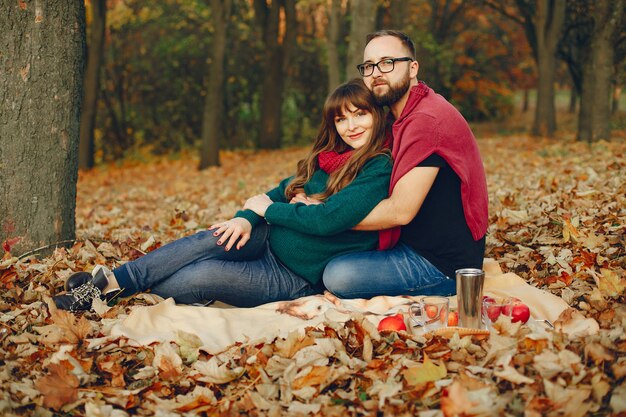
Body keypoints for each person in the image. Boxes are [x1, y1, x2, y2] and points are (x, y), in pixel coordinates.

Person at [53, 79, 392, 311]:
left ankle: (113, 290)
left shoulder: (377, 167)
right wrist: (246, 218)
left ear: (377, 115)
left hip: (295, 276)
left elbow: (329, 219)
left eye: (360, 114)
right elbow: (277, 192)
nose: (351, 126)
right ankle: (107, 286)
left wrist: (268, 210)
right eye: (341, 119)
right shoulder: (326, 159)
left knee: (200, 276)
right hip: (266, 238)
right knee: (210, 238)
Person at [313, 30, 489, 299]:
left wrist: (324, 216)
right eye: (369, 66)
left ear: (413, 67)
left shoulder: (426, 121)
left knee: (337, 274)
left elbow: (399, 212)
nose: (376, 73)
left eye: (387, 62)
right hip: (409, 242)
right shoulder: (399, 117)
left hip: (441, 265)